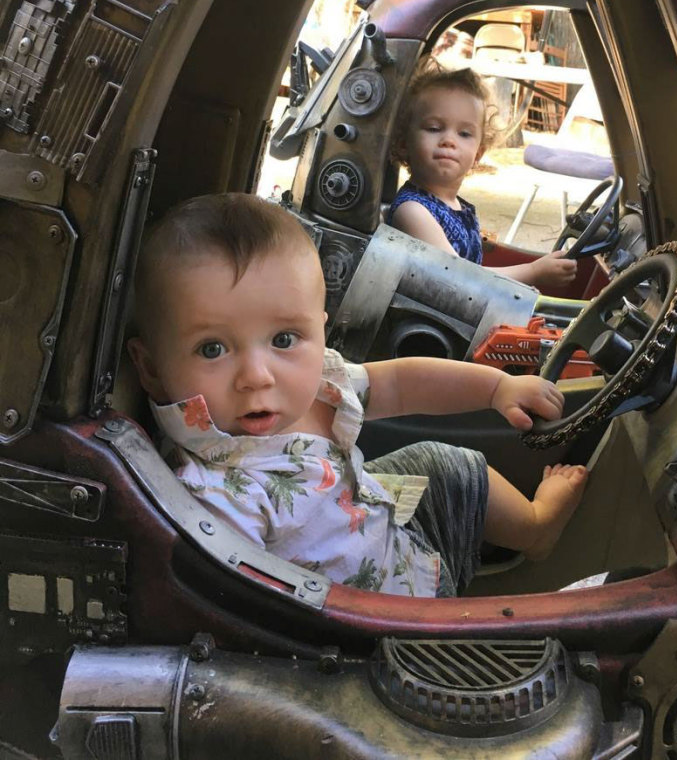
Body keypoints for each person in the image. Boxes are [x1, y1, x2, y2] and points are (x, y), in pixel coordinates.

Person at [128, 194, 587, 598]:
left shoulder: (319, 390)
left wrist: (496, 387)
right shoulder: (214, 496)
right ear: (150, 368)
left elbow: (400, 383)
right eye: (213, 349)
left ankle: (533, 527)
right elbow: (244, 608)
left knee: (444, 461)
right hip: (398, 616)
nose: (256, 375)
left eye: (284, 339)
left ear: (320, 328)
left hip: (394, 537)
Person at [388, 59, 578, 288]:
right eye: (434, 128)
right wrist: (533, 271)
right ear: (403, 143)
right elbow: (459, 278)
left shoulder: (457, 206)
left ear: (478, 154)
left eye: (464, 133)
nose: (449, 140)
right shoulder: (413, 211)